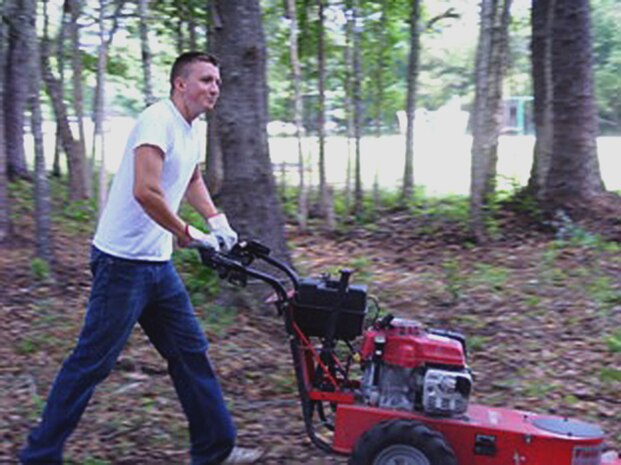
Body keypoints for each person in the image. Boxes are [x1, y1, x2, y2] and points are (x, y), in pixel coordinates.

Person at [19, 52, 263, 465]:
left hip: (156, 265)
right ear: (180, 84)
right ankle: (39, 456)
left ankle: (214, 449)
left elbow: (192, 176)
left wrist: (216, 219)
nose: (214, 89)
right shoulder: (157, 120)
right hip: (122, 264)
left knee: (190, 353)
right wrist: (188, 233)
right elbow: (146, 191)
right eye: (205, 80)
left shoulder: (190, 127)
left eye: (217, 82)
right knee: (91, 364)